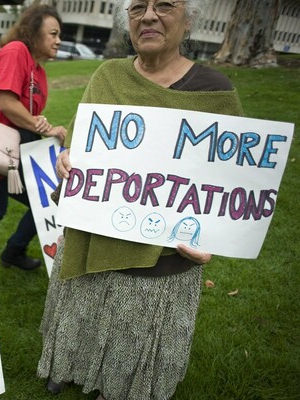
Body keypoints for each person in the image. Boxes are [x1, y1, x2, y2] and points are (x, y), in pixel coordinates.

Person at [37, 1, 243, 399]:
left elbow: (231, 183)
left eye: (164, 5)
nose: (148, 16)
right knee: (82, 306)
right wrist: (68, 160)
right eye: (136, 8)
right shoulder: (108, 74)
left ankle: (119, 383)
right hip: (93, 229)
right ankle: (72, 362)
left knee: (132, 328)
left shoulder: (213, 90)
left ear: (189, 21)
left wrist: (213, 240)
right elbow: (82, 147)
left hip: (162, 247)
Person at [0, 4, 67, 271]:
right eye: (53, 34)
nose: (59, 41)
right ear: (34, 33)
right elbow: (7, 103)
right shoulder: (15, 52)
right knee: (35, 202)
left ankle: (3, 254)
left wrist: (43, 126)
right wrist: (46, 128)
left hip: (16, 152)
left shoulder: (39, 70)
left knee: (15, 206)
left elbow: (27, 113)